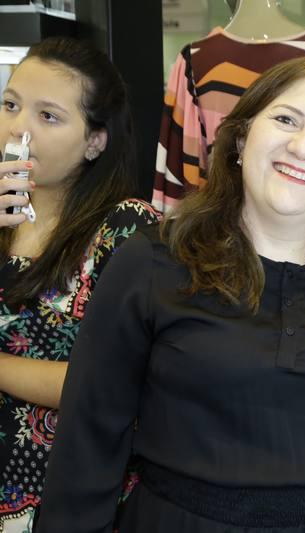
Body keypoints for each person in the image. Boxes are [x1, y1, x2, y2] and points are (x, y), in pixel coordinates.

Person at [36, 54, 305, 533]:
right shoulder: (152, 261)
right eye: (286, 120)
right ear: (241, 138)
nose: (303, 147)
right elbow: (88, 439)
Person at [0, 37, 160, 530]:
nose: (18, 127)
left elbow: (111, 384)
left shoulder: (126, 228)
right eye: (10, 104)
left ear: (95, 141)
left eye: (48, 116)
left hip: (66, 491)